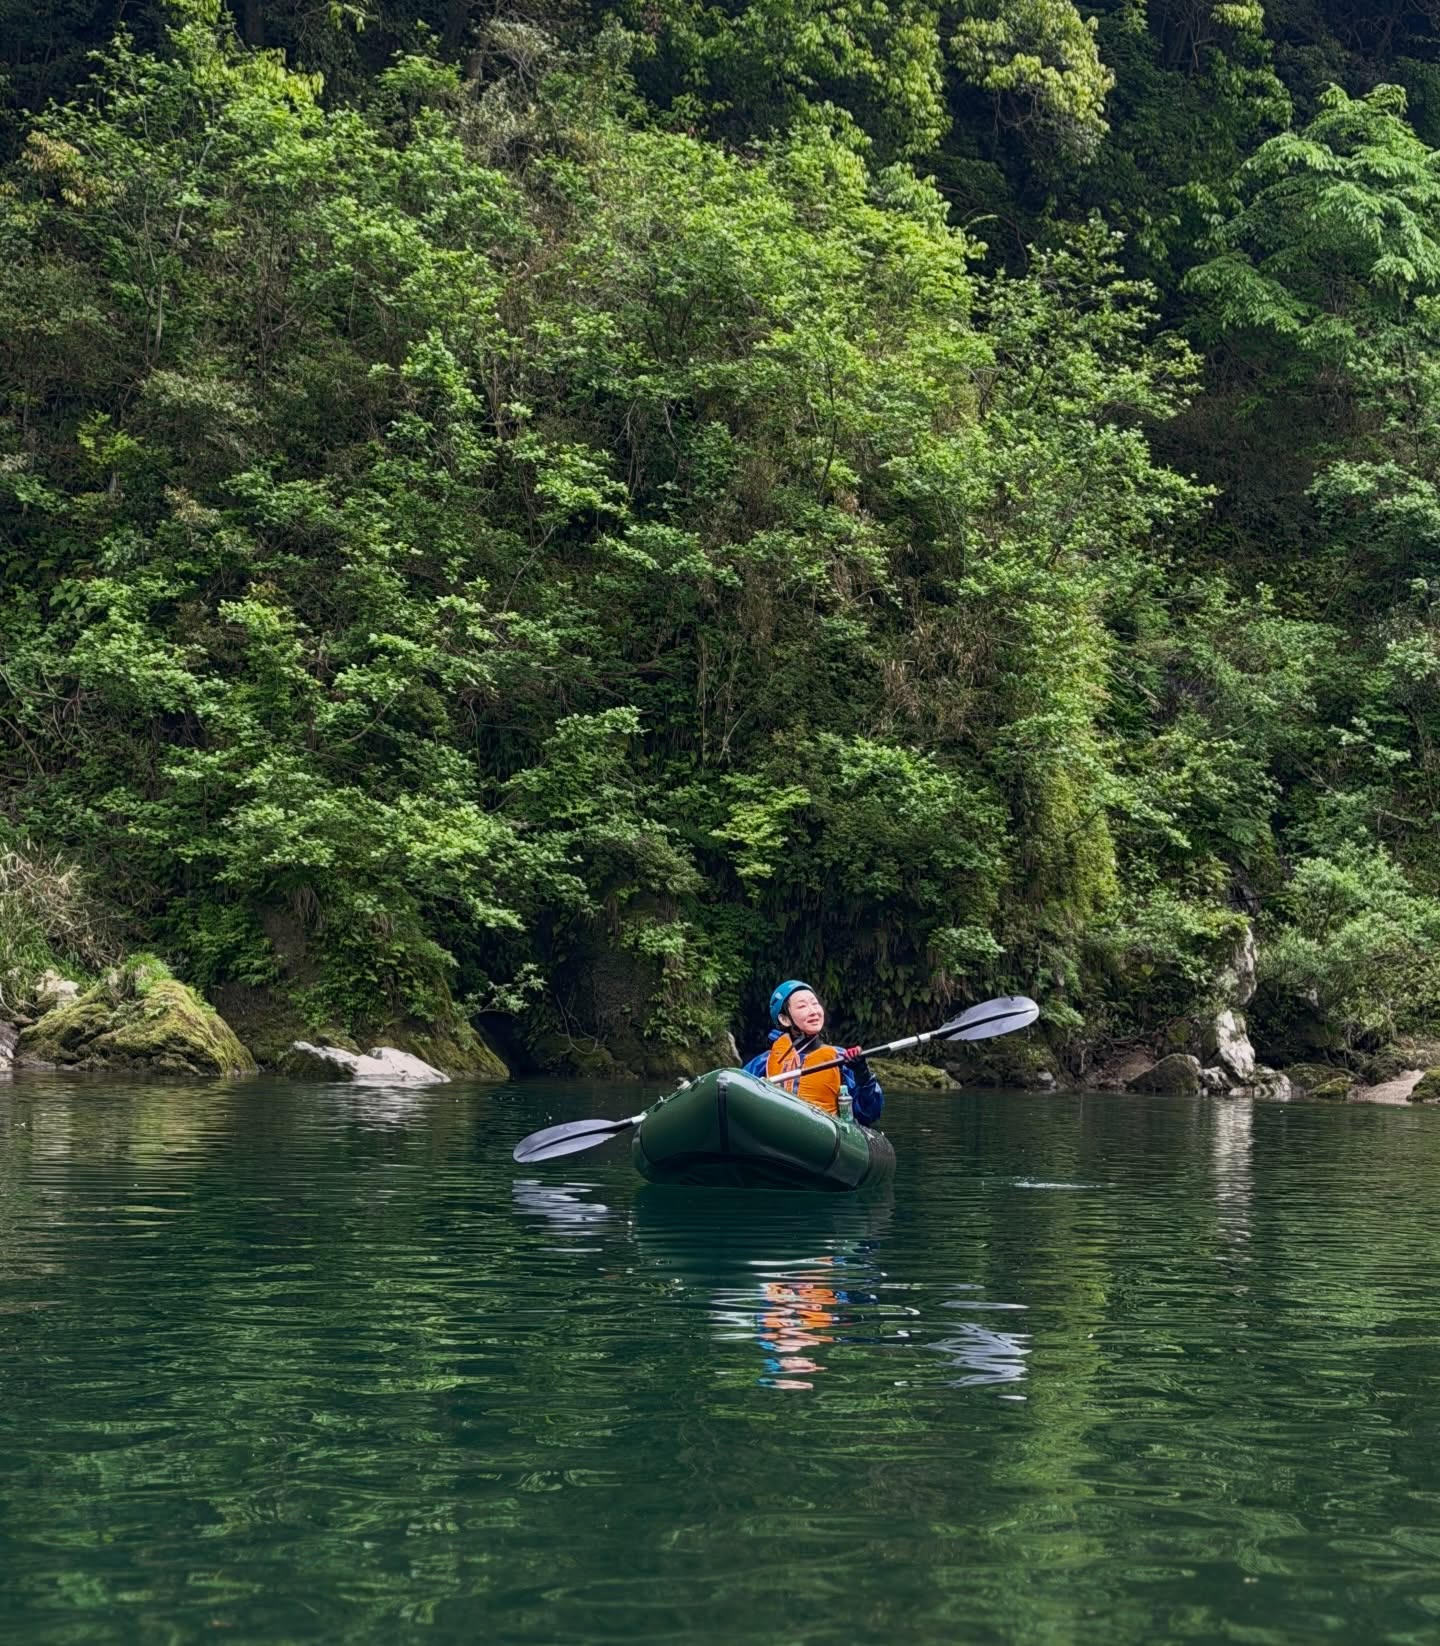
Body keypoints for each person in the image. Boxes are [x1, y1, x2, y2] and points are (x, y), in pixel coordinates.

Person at [742, 979, 884, 1127]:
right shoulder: (763, 1062)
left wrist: (862, 1073)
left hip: (825, 1135)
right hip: (776, 1129)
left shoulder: (841, 1059)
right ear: (784, 1019)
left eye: (815, 1004)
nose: (813, 1011)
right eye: (802, 1006)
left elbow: (870, 1114)